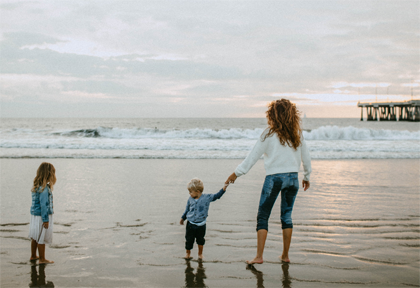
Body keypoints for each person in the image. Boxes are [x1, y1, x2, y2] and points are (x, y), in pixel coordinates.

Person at [225, 99, 311, 264]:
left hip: (274, 179)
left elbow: (252, 157)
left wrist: (236, 174)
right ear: (292, 115)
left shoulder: (268, 134)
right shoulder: (297, 134)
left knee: (263, 216)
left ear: (272, 115)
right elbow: (306, 156)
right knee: (286, 217)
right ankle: (285, 256)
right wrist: (307, 176)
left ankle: (259, 257)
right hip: (293, 178)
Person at [180, 178, 229, 260]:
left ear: (198, 191)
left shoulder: (207, 198)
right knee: (189, 240)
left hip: (201, 225)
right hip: (190, 224)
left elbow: (217, 196)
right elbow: (187, 210)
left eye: (191, 192)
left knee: (200, 240)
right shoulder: (190, 199)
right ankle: (188, 254)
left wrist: (224, 188)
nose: (189, 194)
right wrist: (183, 218)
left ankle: (200, 254)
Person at [28, 162, 56, 264]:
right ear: (49, 175)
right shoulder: (44, 190)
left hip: (35, 215)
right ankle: (42, 259)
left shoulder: (37, 187)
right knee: (41, 237)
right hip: (41, 216)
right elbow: (43, 206)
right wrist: (45, 220)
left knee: (35, 236)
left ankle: (33, 255)